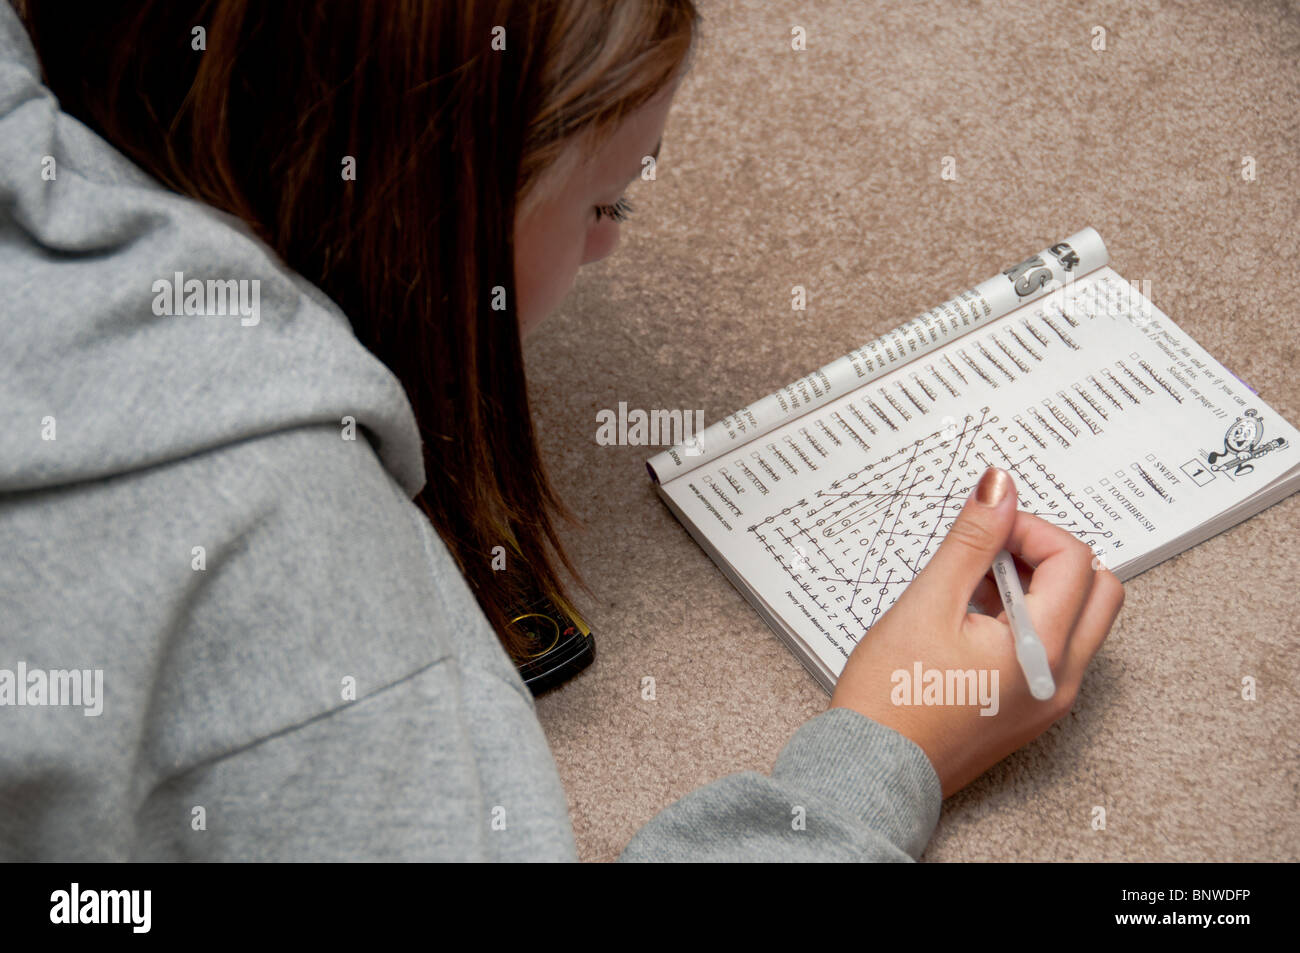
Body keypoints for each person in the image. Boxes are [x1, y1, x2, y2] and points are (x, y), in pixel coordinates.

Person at [0, 0, 1123, 861]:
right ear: (415, 195)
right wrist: (884, 754)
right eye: (606, 203)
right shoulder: (307, 592)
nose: (606, 252)